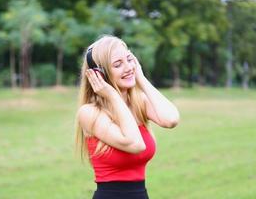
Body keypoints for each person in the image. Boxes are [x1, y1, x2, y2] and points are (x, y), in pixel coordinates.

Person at [75, 35, 180, 199]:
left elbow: (171, 119)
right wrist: (112, 95)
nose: (128, 67)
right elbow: (135, 144)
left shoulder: (138, 103)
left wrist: (141, 78)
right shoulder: (89, 113)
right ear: (99, 74)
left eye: (129, 59)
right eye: (118, 64)